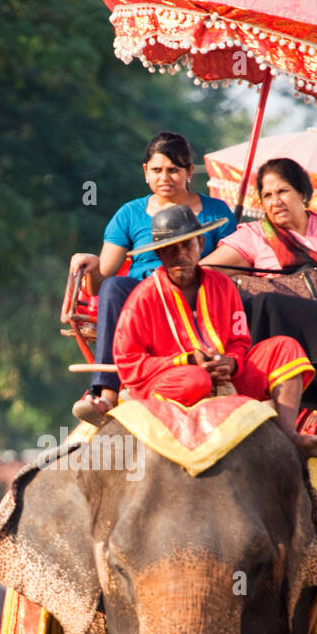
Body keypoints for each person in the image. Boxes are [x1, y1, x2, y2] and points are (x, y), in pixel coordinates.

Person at [201, 157, 317, 461]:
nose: (275, 201)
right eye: (267, 196)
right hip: (276, 330)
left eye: (282, 191)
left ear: (303, 194)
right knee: (271, 303)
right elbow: (205, 273)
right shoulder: (254, 235)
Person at [113, 205, 317, 458]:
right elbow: (127, 362)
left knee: (286, 348)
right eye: (170, 248)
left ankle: (289, 436)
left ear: (201, 244)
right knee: (196, 380)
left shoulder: (223, 285)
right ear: (159, 253)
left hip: (227, 379)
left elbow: (239, 341)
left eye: (186, 245)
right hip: (174, 382)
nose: (180, 254)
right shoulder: (143, 297)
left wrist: (232, 363)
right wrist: (185, 360)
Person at [71, 131, 238, 425]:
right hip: (147, 296)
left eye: (173, 170)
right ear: (145, 172)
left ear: (189, 172)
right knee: (113, 286)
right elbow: (102, 280)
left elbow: (237, 258)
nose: (165, 177)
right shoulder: (130, 213)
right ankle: (105, 392)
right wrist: (90, 264)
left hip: (197, 292)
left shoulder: (215, 211)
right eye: (157, 170)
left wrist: (191, 266)